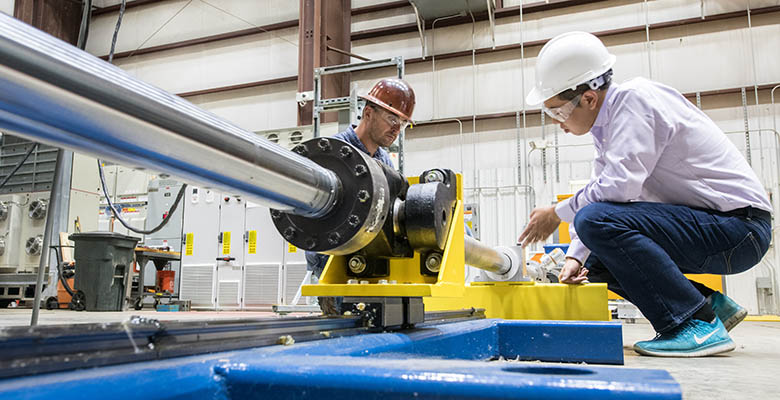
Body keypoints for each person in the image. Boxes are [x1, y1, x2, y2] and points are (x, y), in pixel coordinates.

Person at [518, 31, 772, 357]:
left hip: (741, 229)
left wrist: (555, 213)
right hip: (721, 229)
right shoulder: (608, 129)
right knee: (593, 261)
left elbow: (616, 190)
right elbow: (603, 197)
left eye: (557, 112)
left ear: (589, 98)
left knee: (594, 221)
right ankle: (710, 307)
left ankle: (693, 325)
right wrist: (573, 258)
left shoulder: (636, 103)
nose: (557, 123)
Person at [306, 78, 415, 315]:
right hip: (336, 268)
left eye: (403, 123)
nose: (397, 129)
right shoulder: (334, 152)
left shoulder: (385, 162)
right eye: (392, 119)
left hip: (372, 266)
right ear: (368, 113)